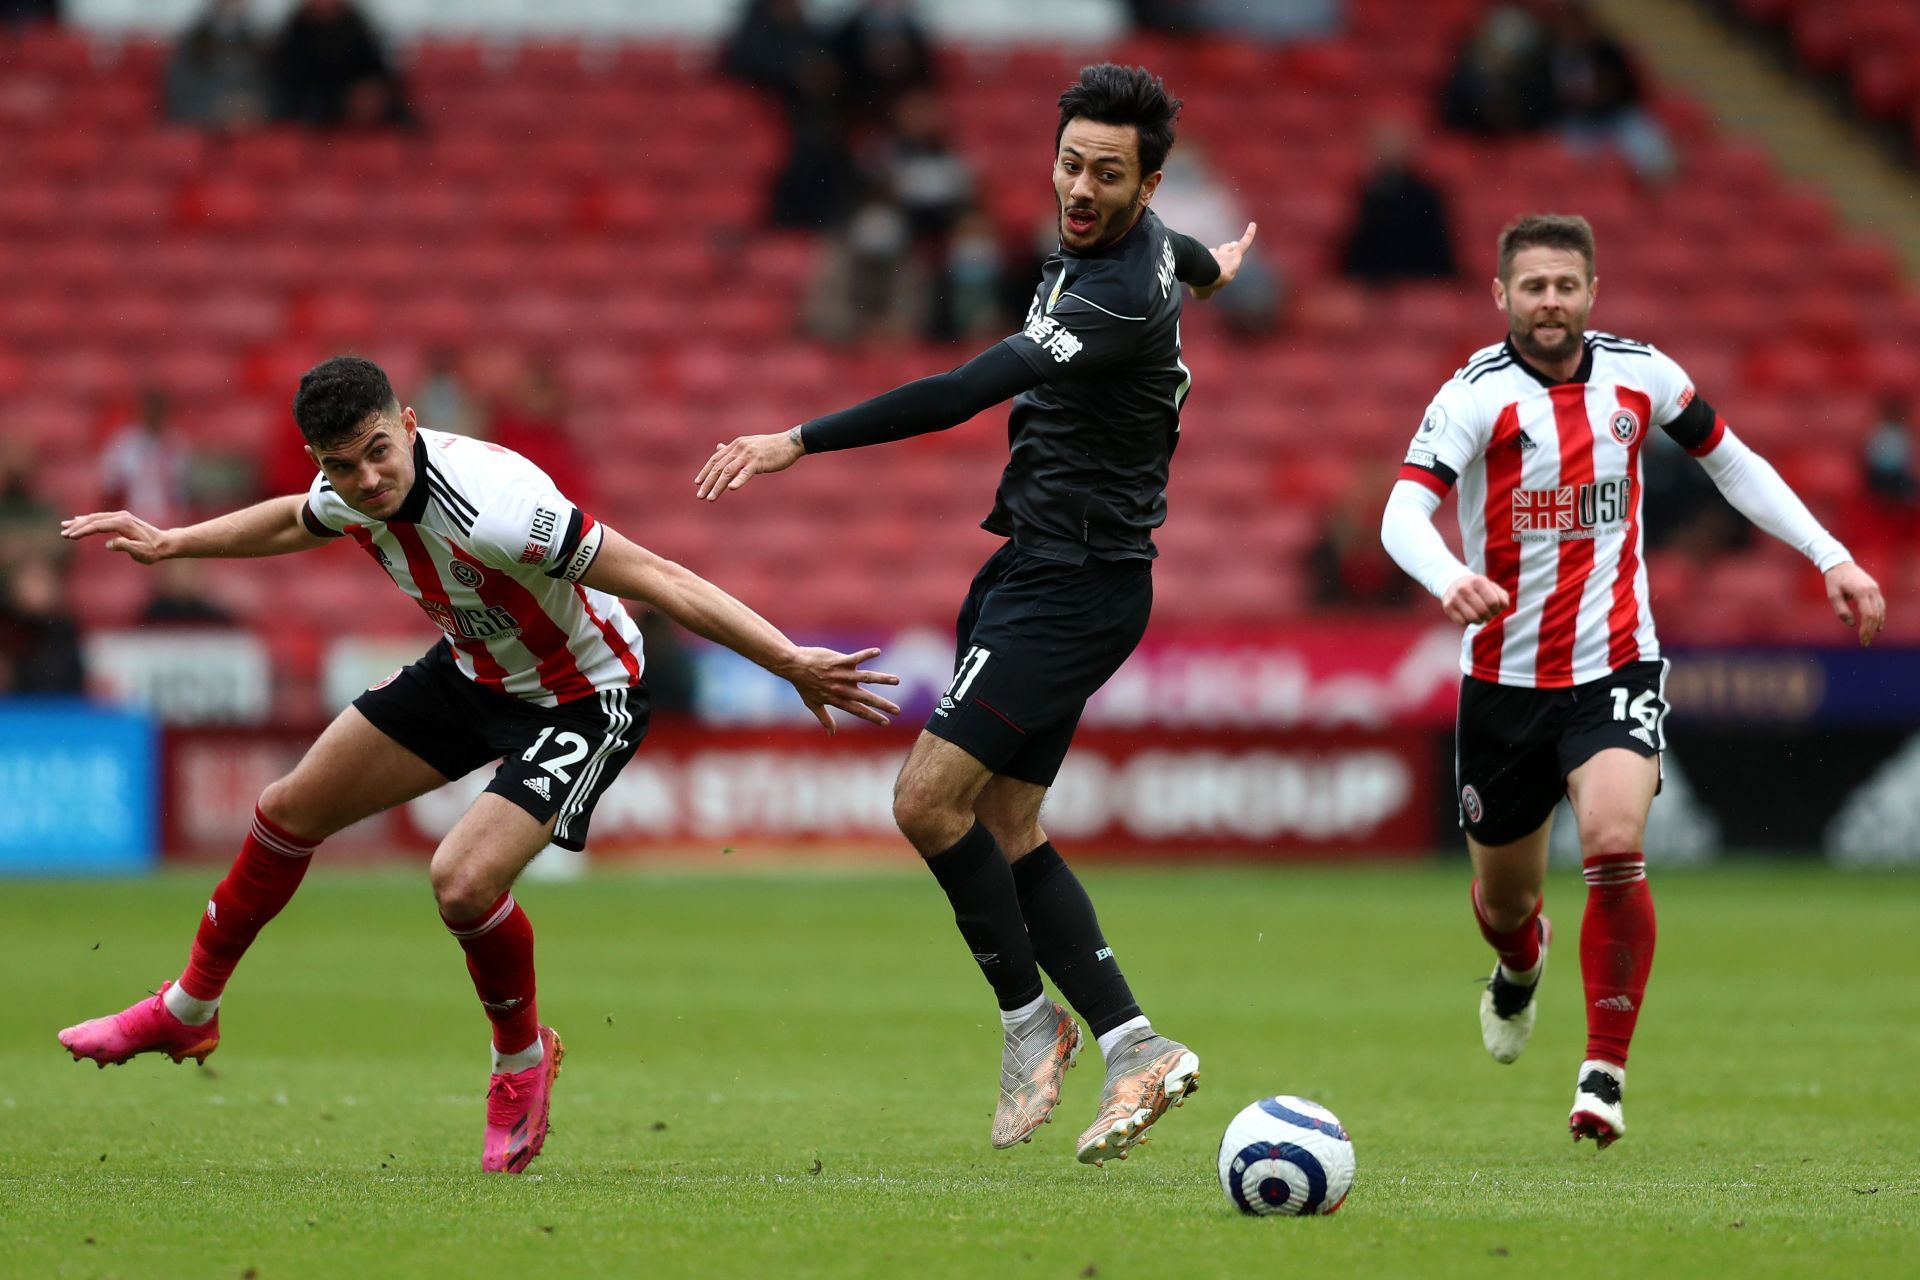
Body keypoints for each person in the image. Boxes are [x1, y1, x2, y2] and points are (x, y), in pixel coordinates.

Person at [56, 356, 900, 1174]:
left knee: (461, 883)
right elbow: (293, 518)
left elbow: (659, 576)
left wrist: (789, 660)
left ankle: (520, 1062)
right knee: (287, 809)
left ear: (410, 424)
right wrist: (172, 544)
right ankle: (187, 1011)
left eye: (379, 452)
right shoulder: (348, 489)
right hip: (472, 671)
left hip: (583, 692)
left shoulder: (498, 511)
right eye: (342, 466)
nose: (368, 480)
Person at [695, 65, 1256, 1166]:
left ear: (1149, 184)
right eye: (1070, 164)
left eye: (1107, 174)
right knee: (1006, 821)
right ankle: (1135, 1043)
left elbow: (962, 387)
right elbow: (1188, 260)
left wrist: (795, 439)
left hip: (1074, 582)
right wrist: (1218, 267)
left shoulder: (1111, 295)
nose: (1080, 188)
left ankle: (1025, 1018)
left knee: (924, 799)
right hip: (1038, 570)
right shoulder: (1139, 248)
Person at [1379, 213, 1885, 1148]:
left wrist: (1831, 556)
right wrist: (1449, 575)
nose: (1550, 302)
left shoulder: (1641, 375)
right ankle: (1519, 965)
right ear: (1501, 296)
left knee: (1613, 843)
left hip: (1616, 661)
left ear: (1591, 292)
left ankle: (1603, 1072)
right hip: (1503, 683)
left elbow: (1732, 461)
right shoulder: (1472, 398)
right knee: (1506, 903)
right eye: (1531, 286)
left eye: (1565, 285)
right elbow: (1401, 513)